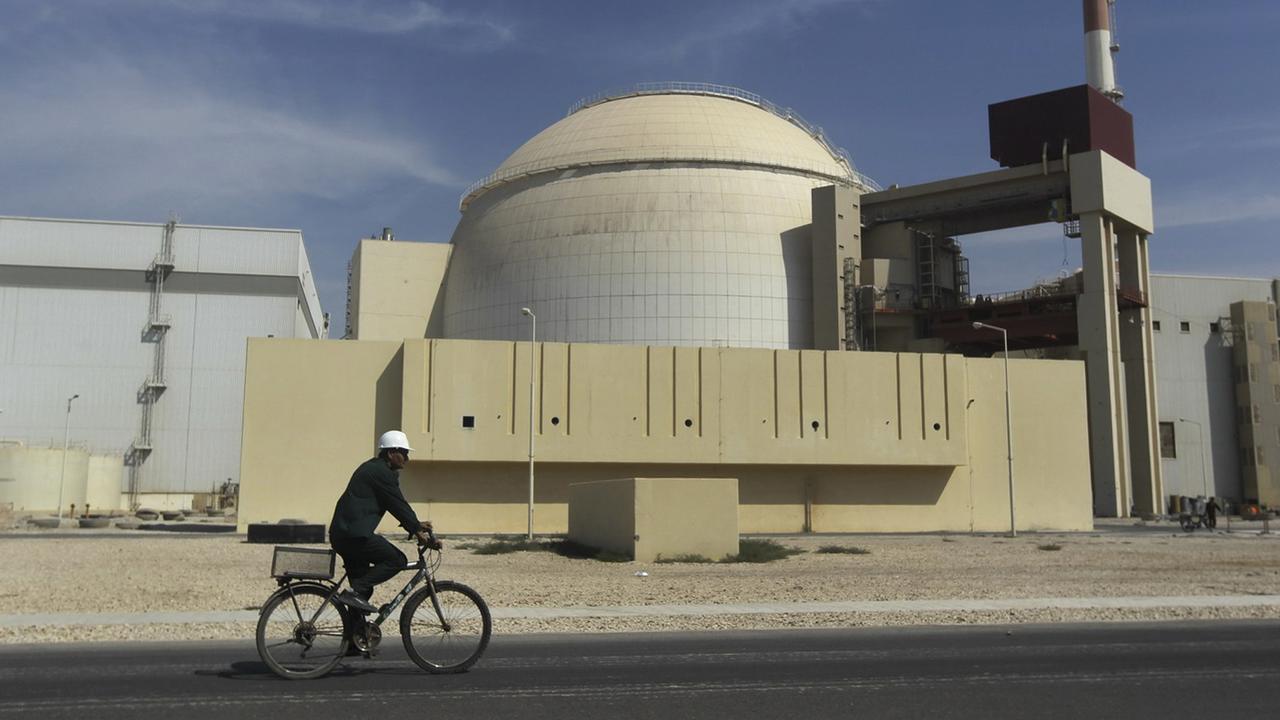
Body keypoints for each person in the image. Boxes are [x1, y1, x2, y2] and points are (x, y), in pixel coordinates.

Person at [329, 430, 434, 614]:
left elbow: (394, 504)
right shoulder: (380, 473)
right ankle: (353, 592)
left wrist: (416, 523)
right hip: (353, 536)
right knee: (397, 560)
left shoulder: (375, 468)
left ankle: (354, 640)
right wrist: (417, 529)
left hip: (345, 534)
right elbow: (397, 503)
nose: (407, 459)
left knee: (363, 592)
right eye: (404, 453)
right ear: (391, 453)